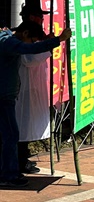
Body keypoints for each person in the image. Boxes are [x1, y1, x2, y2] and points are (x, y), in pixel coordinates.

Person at [0, 21, 71, 187]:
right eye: (32, 39)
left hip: (6, 95)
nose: (32, 43)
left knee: (7, 136)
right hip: (4, 97)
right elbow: (29, 50)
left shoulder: (7, 38)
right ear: (25, 34)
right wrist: (59, 39)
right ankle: (8, 176)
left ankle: (7, 172)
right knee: (10, 135)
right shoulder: (8, 42)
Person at [15, 4, 51, 175]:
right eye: (39, 16)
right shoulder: (21, 35)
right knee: (21, 125)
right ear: (31, 17)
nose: (42, 19)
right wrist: (48, 47)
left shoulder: (36, 34)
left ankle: (22, 158)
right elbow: (28, 59)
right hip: (23, 89)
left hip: (33, 87)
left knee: (26, 124)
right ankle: (19, 161)